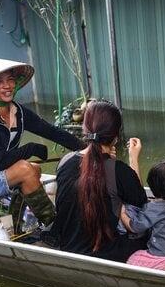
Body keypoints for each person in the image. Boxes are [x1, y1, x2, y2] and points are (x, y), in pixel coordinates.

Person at [0, 56, 84, 232]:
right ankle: (54, 227)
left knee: (34, 169)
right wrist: (31, 148)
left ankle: (16, 221)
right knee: (26, 169)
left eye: (10, 79)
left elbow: (51, 131)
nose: (7, 86)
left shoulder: (17, 111)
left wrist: (87, 148)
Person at [50, 100, 149, 261]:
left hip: (67, 247)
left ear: (85, 129)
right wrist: (133, 158)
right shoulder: (119, 171)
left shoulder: (65, 161)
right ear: (115, 137)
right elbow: (139, 206)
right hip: (104, 254)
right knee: (149, 229)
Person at [123, 161, 165, 270]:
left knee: (131, 259)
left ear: (152, 185)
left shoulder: (154, 208)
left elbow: (134, 227)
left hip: (163, 257)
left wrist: (121, 212)